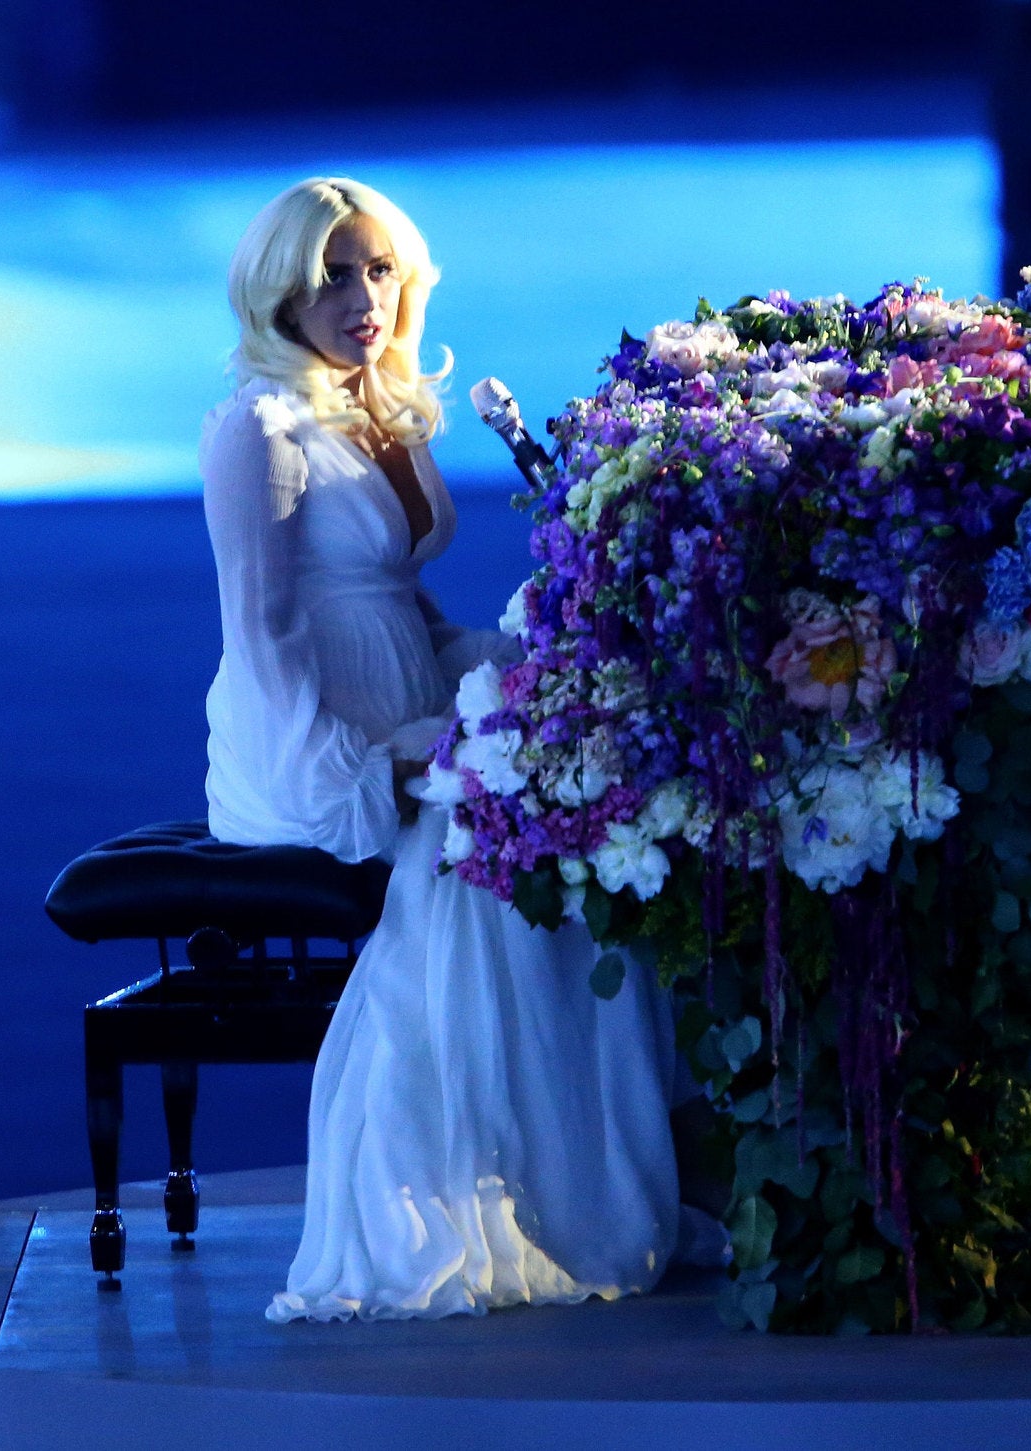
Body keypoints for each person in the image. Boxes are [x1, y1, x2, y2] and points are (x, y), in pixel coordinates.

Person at [200, 177, 681, 1322]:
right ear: (282, 289)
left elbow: (408, 615)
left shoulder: (380, 408)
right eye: (332, 275)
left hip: (413, 706)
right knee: (480, 862)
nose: (361, 296)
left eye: (378, 271)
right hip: (302, 743)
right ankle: (450, 1206)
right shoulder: (257, 429)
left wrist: (538, 654)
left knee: (582, 821)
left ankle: (581, 1182)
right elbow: (263, 638)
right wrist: (365, 773)